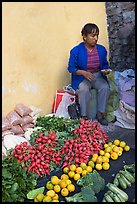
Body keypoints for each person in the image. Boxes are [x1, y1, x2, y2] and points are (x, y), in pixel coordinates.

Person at [67, 23, 111, 125]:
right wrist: (83, 73)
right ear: (85, 37)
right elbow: (71, 68)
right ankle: (84, 116)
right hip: (82, 78)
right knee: (83, 90)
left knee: (105, 87)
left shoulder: (101, 50)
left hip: (97, 76)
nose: (95, 38)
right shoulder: (76, 51)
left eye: (97, 35)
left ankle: (100, 114)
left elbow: (104, 65)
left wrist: (105, 70)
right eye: (92, 36)